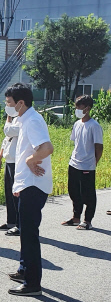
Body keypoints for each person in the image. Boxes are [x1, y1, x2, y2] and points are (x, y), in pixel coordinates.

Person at [5, 83, 53, 296]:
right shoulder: (25, 120)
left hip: (33, 186)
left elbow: (47, 148)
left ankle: (33, 284)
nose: (7, 107)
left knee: (30, 234)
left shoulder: (32, 120)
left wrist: (33, 159)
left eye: (9, 103)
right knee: (25, 232)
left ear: (20, 103)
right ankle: (25, 270)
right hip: (27, 184)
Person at [62, 95, 103, 230]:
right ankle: (75, 217)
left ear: (87, 108)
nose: (77, 110)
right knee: (74, 191)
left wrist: (94, 162)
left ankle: (87, 220)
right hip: (74, 163)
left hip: (87, 165)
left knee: (88, 193)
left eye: (79, 108)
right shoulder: (77, 124)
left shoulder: (94, 126)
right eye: (76, 108)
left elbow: (99, 147)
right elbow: (76, 142)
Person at [0, 112, 21, 236]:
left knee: (17, 195)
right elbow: (6, 141)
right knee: (9, 194)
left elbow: (8, 131)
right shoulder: (14, 121)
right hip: (9, 161)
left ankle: (20, 225)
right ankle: (11, 222)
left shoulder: (22, 121)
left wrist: (8, 118)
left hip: (18, 163)